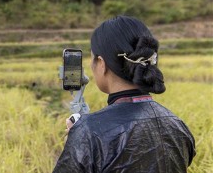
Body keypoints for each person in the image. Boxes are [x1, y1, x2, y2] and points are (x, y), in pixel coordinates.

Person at [53, 16, 196, 173]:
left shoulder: (88, 132)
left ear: (101, 63)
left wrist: (76, 144)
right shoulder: (178, 126)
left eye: (92, 58)